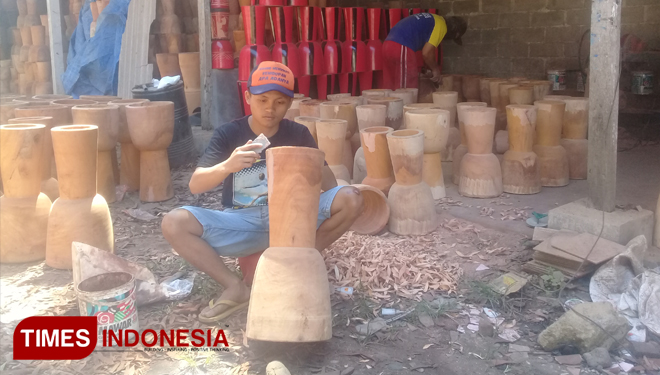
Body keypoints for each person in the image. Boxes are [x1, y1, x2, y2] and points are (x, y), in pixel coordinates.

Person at [161, 61, 364, 323]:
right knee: (174, 223)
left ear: (289, 103)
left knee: (351, 197)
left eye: (279, 102)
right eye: (262, 99)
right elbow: (195, 184)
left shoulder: (298, 134)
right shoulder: (228, 133)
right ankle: (235, 287)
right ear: (247, 97)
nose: (270, 108)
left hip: (292, 219)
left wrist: (311, 165)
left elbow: (330, 187)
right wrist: (227, 165)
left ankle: (304, 256)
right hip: (243, 223)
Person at [382, 13, 467, 90]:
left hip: (387, 44)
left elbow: (423, 49)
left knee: (390, 87)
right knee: (407, 90)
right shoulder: (441, 26)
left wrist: (427, 70)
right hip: (401, 45)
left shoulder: (433, 19)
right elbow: (426, 53)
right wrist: (435, 70)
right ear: (455, 32)